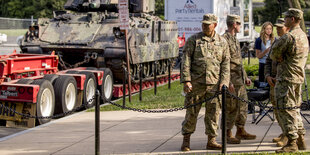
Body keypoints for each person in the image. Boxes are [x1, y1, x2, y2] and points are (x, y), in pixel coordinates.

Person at [180, 13, 230, 151]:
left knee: (213, 114)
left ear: (215, 24)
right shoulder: (194, 40)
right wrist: (186, 80)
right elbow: (186, 61)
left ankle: (211, 140)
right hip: (196, 85)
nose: (205, 26)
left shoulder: (222, 42)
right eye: (203, 24)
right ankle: (186, 140)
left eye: (208, 24)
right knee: (191, 114)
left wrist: (224, 82)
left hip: (214, 86)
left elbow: (226, 64)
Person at [270, 8, 308, 153]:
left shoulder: (289, 37)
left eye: (286, 18)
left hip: (287, 78)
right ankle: (300, 139)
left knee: (286, 110)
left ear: (292, 19)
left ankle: (292, 142)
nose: (284, 20)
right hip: (298, 77)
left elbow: (274, 54)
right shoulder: (303, 35)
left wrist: (280, 56)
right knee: (295, 109)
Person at [222, 14, 256, 145]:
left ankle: (240, 130)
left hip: (239, 80)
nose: (241, 26)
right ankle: (227, 133)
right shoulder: (224, 39)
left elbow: (238, 62)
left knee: (242, 105)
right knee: (230, 107)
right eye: (239, 24)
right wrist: (227, 81)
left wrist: (245, 76)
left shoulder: (235, 39)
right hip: (231, 80)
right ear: (234, 24)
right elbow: (223, 62)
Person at [265, 18, 289, 147]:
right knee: (276, 109)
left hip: (283, 81)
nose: (278, 29)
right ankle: (283, 131)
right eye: (277, 27)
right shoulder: (275, 42)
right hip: (273, 81)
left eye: (281, 27)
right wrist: (268, 76)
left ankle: (287, 135)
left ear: (286, 27)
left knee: (284, 109)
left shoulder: (289, 41)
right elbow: (268, 61)